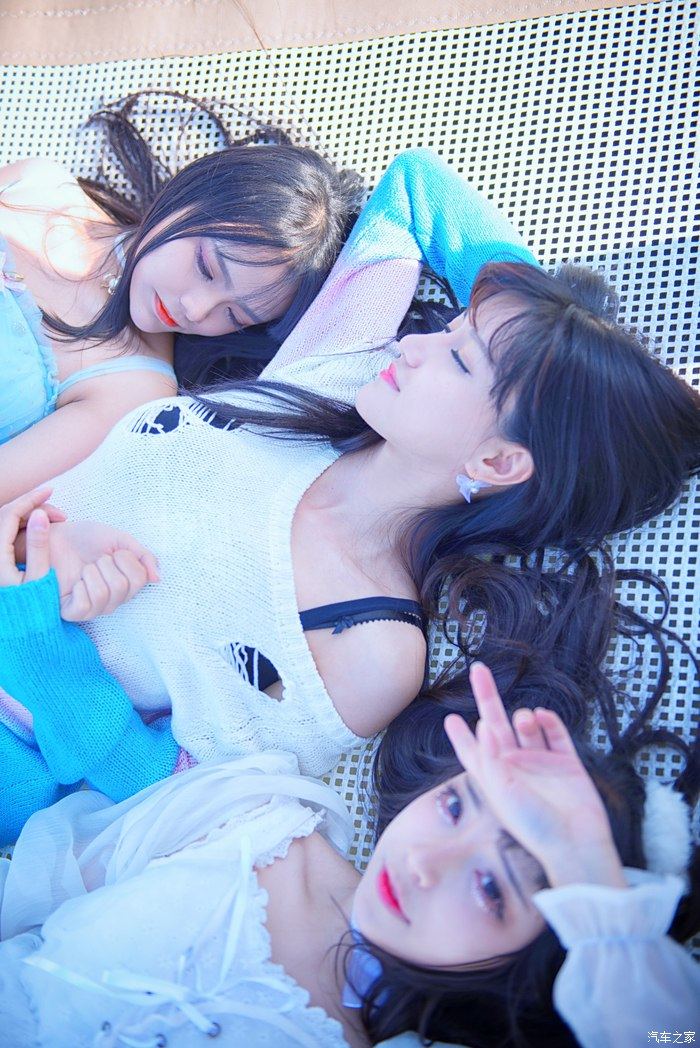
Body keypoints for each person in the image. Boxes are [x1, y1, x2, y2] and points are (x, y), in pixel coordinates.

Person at [13, 144, 695, 788]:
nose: (417, 344)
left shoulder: (372, 647)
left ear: (496, 459)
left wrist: (36, 623)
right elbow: (416, 191)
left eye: (460, 359)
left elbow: (177, 791)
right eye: (450, 329)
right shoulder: (341, 371)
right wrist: (549, 324)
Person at [0, 518, 697, 1047]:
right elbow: (122, 766)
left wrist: (592, 883)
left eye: (492, 888)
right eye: (457, 806)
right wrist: (33, 631)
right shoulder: (264, 821)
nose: (425, 863)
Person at [0, 91, 362, 504]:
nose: (195, 310)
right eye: (206, 267)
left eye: (234, 315)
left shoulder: (133, 390)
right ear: (190, 199)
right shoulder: (40, 186)